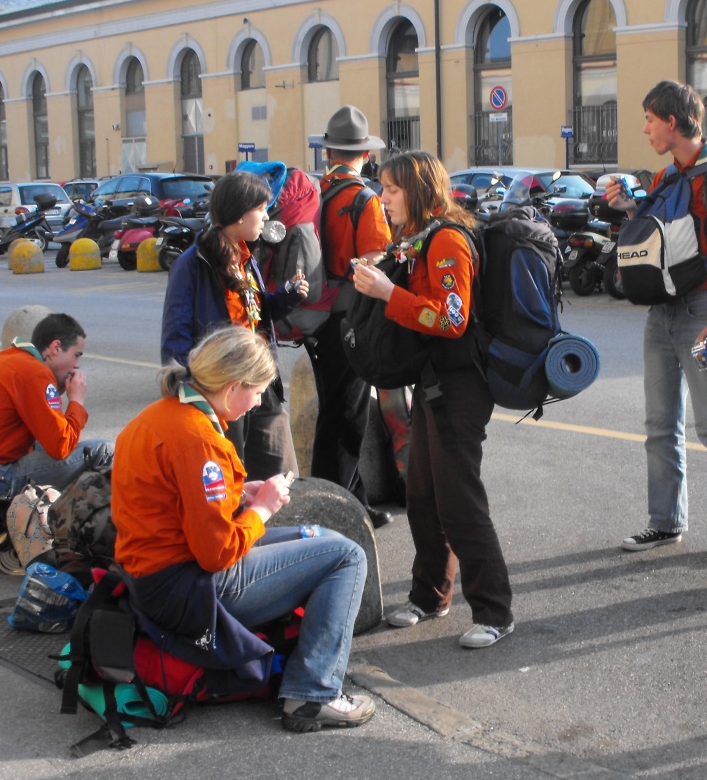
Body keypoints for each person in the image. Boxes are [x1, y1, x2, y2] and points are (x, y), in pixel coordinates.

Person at [112, 326, 373, 732]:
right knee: (347, 556)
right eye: (258, 392)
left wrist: (239, 493)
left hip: (152, 577)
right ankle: (312, 693)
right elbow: (217, 554)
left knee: (323, 539)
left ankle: (306, 672)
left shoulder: (159, 415)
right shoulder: (202, 441)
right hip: (188, 589)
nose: (258, 403)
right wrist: (263, 508)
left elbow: (172, 503)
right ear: (234, 386)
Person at [351, 150, 515, 649]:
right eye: (383, 188)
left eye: (392, 190)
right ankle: (430, 596)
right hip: (430, 382)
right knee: (421, 495)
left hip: (459, 386)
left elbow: (451, 319)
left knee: (459, 501)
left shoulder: (446, 240)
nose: (383, 199)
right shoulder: (417, 236)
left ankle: (495, 611)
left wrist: (388, 293)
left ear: (419, 190)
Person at [607, 79, 707, 565]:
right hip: (663, 312)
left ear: (672, 122)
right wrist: (630, 209)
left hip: (704, 312)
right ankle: (666, 522)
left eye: (650, 119)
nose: (645, 128)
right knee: (659, 425)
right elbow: (664, 238)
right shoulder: (665, 177)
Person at [161, 170, 307, 481]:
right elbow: (175, 337)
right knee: (231, 477)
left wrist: (287, 297)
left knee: (281, 476)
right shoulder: (192, 264)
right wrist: (191, 394)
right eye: (261, 209)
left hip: (261, 383)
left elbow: (255, 314)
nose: (266, 217)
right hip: (221, 391)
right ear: (240, 213)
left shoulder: (244, 256)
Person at [309, 106, 393, 526]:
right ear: (364, 154)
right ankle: (333, 509)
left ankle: (355, 501)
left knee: (334, 406)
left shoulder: (317, 192)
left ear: (329, 153)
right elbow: (375, 263)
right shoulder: (364, 199)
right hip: (351, 317)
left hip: (317, 315)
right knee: (347, 416)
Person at [0, 313, 114, 509]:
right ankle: (96, 519)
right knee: (104, 450)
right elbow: (61, 446)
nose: (77, 365)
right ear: (56, 347)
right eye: (76, 355)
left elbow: (48, 430)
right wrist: (76, 401)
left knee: (45, 443)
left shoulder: (6, 358)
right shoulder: (36, 373)